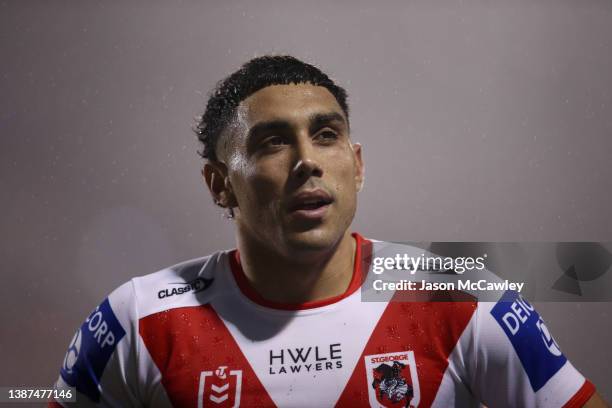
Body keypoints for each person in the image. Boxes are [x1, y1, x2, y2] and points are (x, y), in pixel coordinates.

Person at [50, 55, 607, 407]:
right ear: (219, 184)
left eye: (326, 135)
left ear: (357, 165)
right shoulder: (138, 319)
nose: (306, 161)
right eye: (271, 142)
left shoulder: (461, 295)